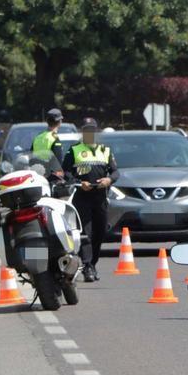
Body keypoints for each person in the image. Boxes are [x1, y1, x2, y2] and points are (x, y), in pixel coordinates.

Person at [62, 118, 118, 282]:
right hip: (82, 197)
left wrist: (109, 181)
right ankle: (87, 266)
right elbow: (66, 172)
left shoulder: (105, 150)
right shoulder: (74, 150)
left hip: (100, 197)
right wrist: (80, 183)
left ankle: (92, 264)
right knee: (85, 233)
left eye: (92, 130)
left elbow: (115, 172)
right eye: (86, 130)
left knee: (100, 232)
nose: (89, 133)